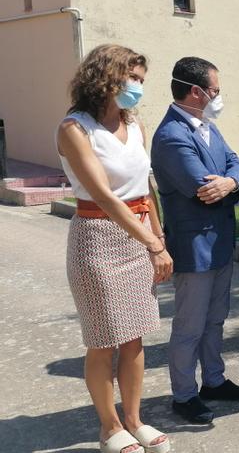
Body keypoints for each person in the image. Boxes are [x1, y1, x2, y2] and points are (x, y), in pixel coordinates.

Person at [57, 44, 171, 453]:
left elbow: (144, 189)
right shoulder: (75, 128)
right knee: (104, 338)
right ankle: (109, 428)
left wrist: (158, 238)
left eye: (141, 79)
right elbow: (104, 197)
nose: (138, 86)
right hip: (97, 239)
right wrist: (153, 245)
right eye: (132, 78)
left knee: (135, 336)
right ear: (105, 76)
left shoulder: (134, 125)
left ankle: (134, 420)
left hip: (139, 236)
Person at [152, 57, 239, 424]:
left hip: (220, 241)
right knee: (190, 326)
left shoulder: (206, 126)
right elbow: (202, 189)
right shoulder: (172, 136)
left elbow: (237, 164)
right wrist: (230, 182)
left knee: (215, 320)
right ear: (196, 91)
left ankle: (213, 380)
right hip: (195, 246)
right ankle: (184, 394)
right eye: (215, 91)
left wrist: (231, 180)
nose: (217, 97)